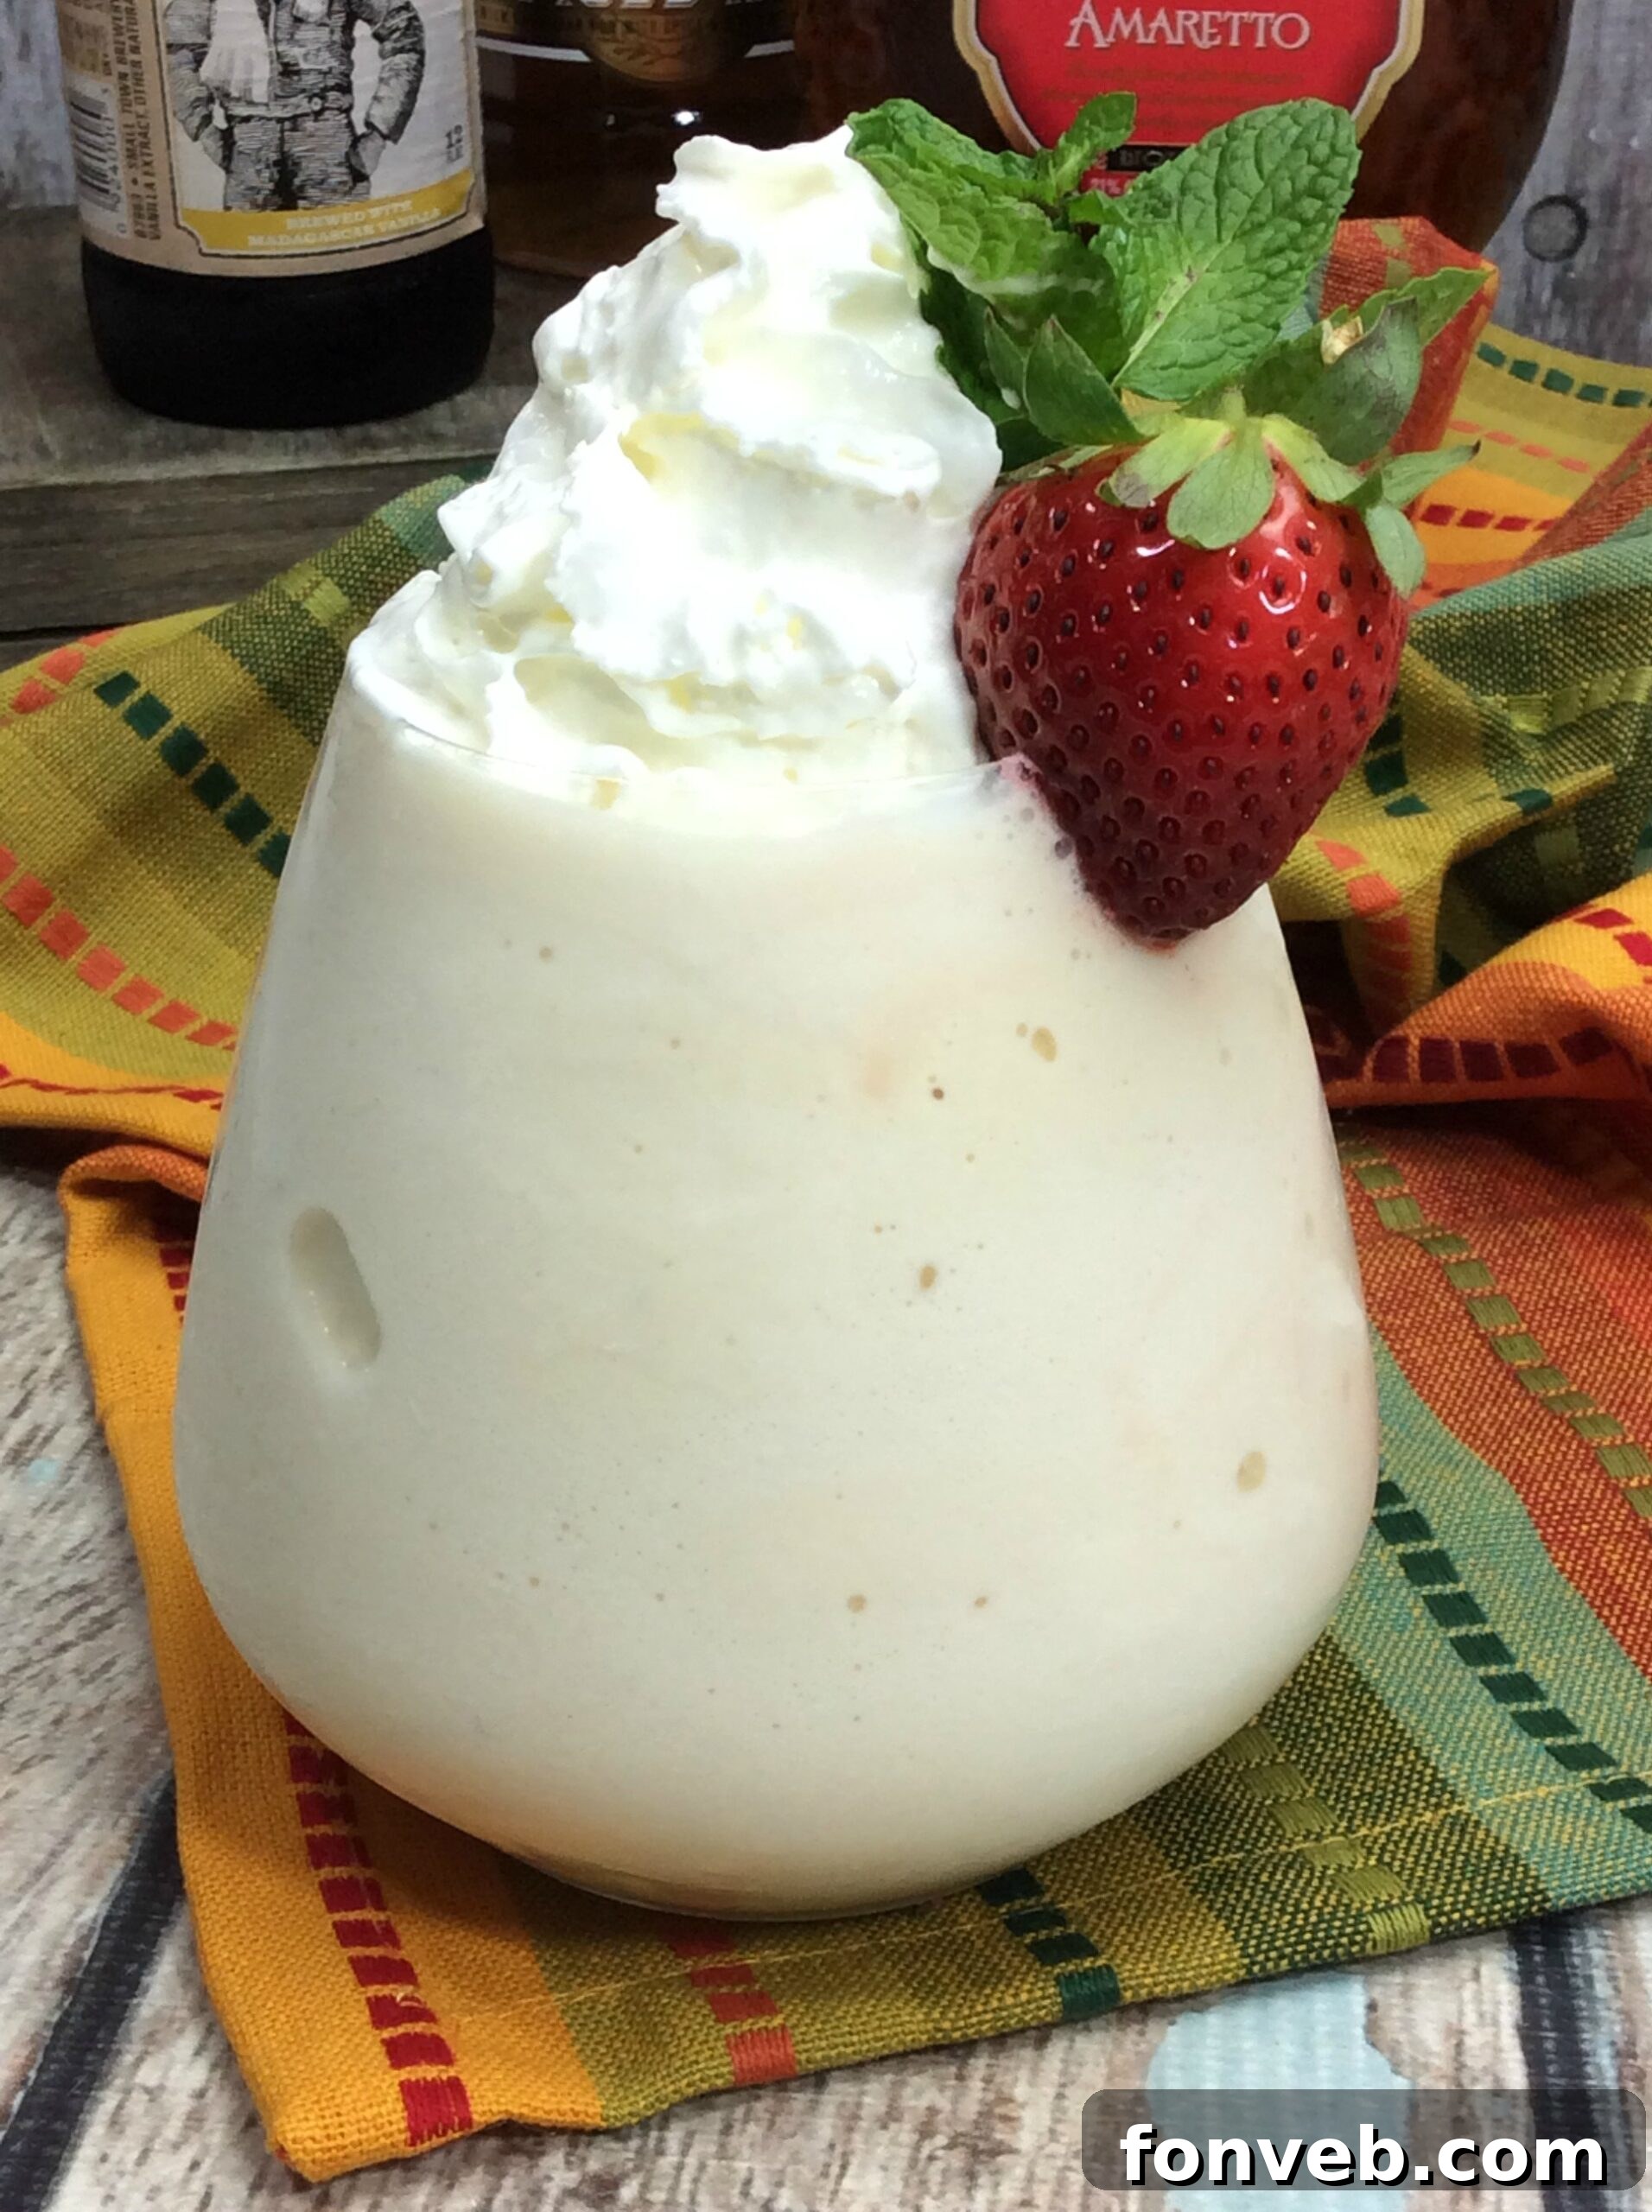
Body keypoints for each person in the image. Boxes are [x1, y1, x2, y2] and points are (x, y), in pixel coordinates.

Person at [164, 0, 426, 213]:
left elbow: (403, 31)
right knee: (250, 258)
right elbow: (174, 51)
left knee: (338, 247)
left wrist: (380, 131)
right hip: (248, 144)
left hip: (326, 141)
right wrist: (204, 131)